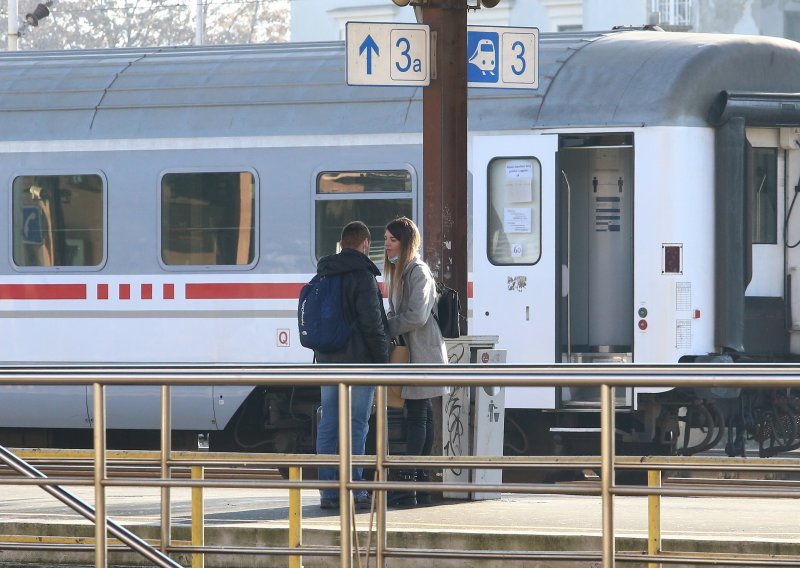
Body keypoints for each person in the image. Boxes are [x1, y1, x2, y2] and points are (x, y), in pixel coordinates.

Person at [313, 221, 390, 511]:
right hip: (359, 363)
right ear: (366, 243)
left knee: (328, 424)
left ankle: (328, 492)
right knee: (356, 424)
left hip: (327, 360)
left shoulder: (324, 272)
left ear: (341, 243)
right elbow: (372, 324)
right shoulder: (362, 275)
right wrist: (382, 361)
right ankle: (355, 490)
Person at [383, 216, 447, 507]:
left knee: (418, 414)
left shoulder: (417, 271)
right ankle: (420, 480)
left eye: (393, 240)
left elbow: (418, 315)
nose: (387, 245)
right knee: (423, 413)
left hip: (422, 350)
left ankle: (411, 479)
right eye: (386, 239)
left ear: (406, 243)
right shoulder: (402, 271)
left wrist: (387, 327)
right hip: (416, 350)